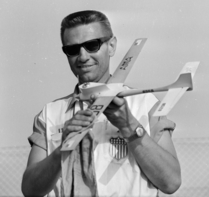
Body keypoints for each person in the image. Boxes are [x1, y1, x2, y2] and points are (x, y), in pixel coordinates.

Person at [22, 10, 181, 197]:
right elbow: (30, 190)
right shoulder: (50, 114)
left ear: (111, 46)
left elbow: (171, 182)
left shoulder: (145, 105)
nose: (82, 57)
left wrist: (129, 126)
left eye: (92, 45)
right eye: (72, 49)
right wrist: (62, 149)